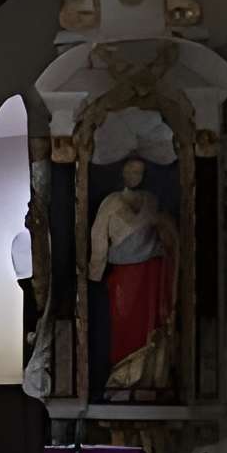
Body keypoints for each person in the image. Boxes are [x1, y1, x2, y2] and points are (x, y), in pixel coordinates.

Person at [86, 156, 178, 393]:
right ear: (122, 173)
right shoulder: (111, 202)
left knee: (150, 327)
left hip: (151, 274)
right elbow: (98, 239)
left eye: (139, 172)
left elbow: (166, 234)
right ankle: (122, 378)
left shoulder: (151, 201)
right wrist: (93, 276)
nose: (134, 176)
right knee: (124, 328)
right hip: (124, 276)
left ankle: (147, 378)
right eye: (130, 171)